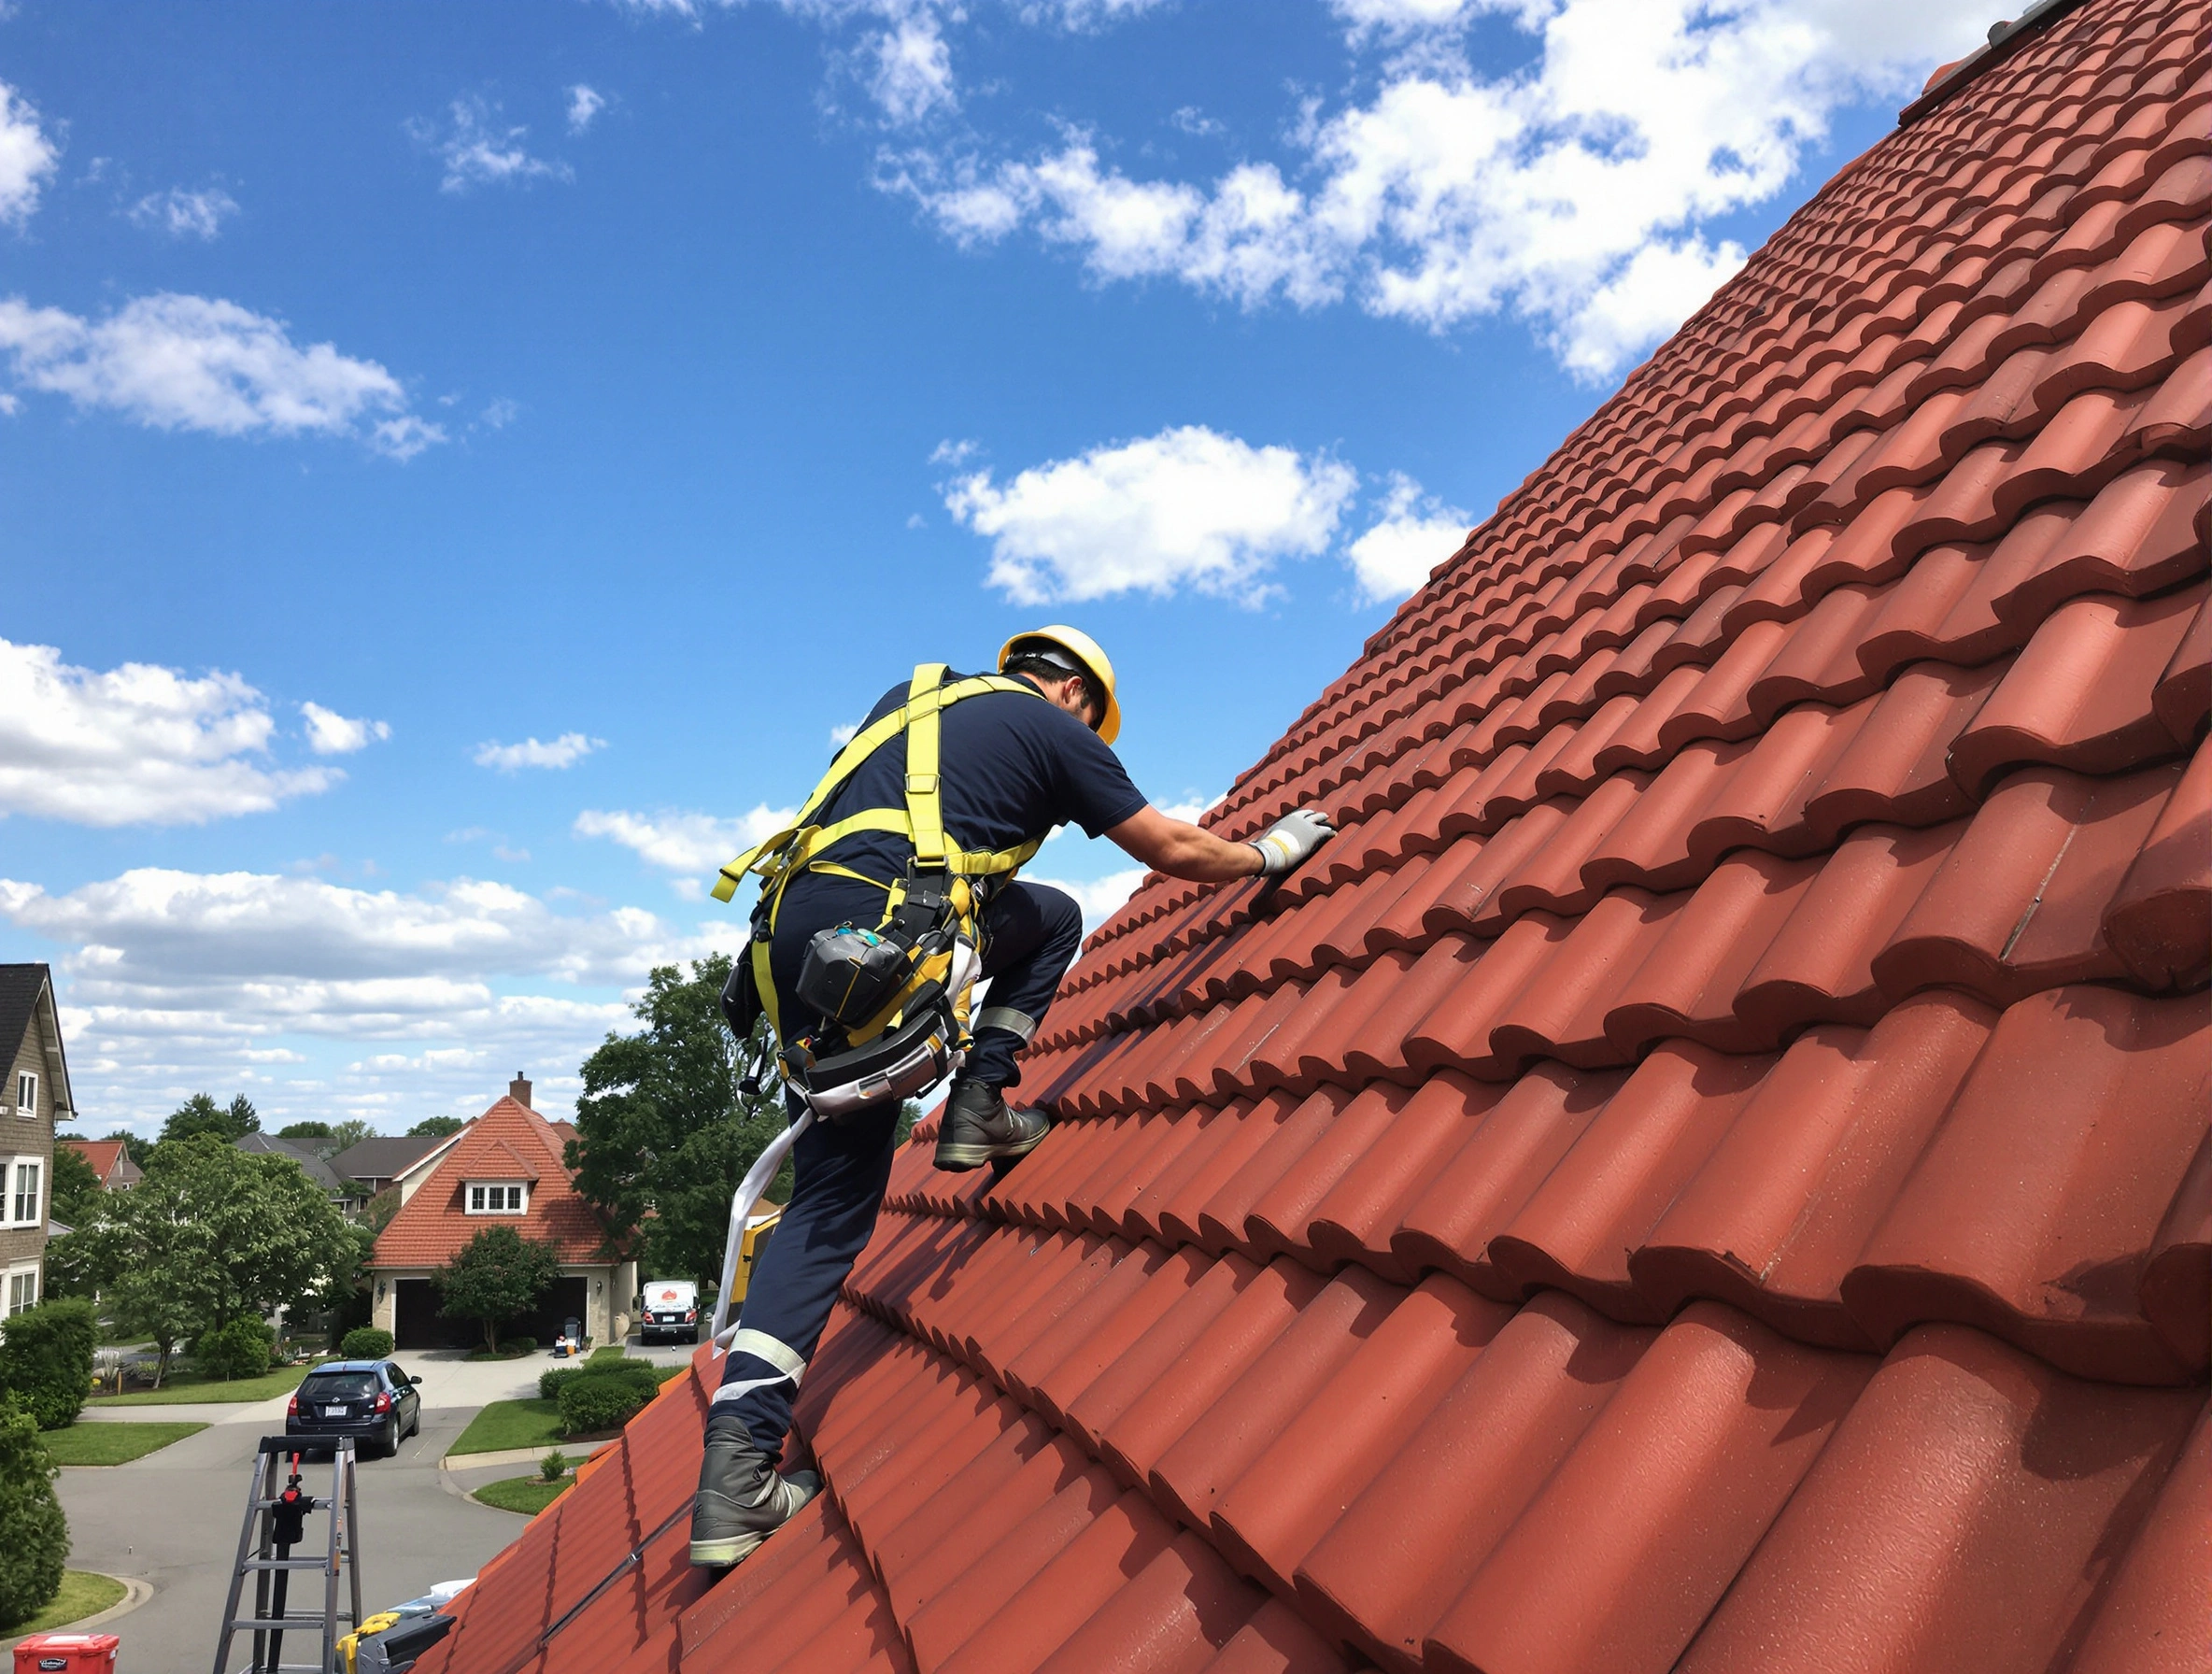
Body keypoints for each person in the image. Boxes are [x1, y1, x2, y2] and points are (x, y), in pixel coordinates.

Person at [690, 626, 1338, 1567]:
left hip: (787, 947)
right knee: (1056, 919)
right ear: (1076, 695)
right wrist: (1266, 854)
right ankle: (980, 1103)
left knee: (823, 1202)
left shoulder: (907, 705)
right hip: (881, 932)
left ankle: (734, 1472)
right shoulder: (1055, 729)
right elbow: (1167, 846)